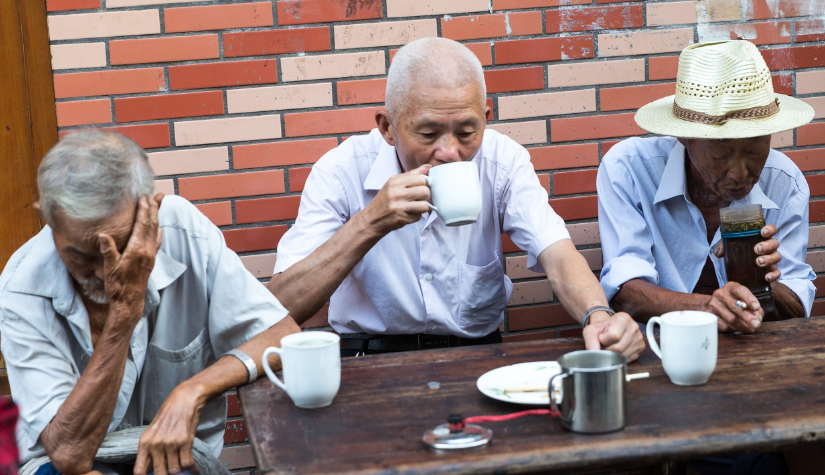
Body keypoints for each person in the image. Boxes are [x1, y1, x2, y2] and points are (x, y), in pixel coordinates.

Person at [267, 37, 644, 359]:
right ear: (387, 127)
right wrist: (369, 223)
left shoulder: (503, 160)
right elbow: (281, 308)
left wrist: (599, 317)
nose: (450, 152)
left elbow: (558, 255)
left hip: (477, 354)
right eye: (428, 133)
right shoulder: (341, 170)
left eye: (466, 131)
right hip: (367, 356)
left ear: (486, 116)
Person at [0, 131, 301, 475]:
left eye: (119, 245)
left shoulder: (185, 232)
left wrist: (194, 390)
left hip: (176, 461)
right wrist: (124, 311)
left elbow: (283, 336)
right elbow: (70, 454)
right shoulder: (21, 288)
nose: (103, 272)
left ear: (151, 210)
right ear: (47, 218)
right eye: (81, 256)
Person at [597, 40, 816, 332]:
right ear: (684, 137)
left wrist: (761, 282)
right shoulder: (629, 170)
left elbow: (797, 307)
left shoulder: (785, 182)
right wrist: (707, 308)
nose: (740, 173)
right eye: (721, 153)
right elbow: (624, 291)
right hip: (660, 352)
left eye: (754, 151)